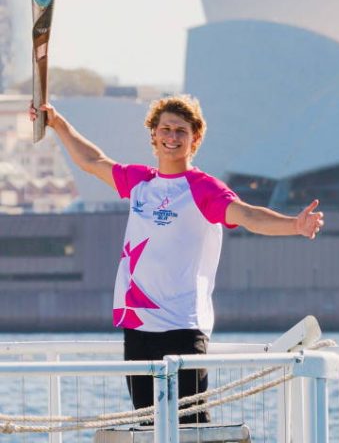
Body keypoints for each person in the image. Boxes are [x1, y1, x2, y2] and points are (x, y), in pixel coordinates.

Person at [31, 95, 324, 423]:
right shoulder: (139, 181)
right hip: (138, 324)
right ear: (153, 134)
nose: (172, 137)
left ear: (195, 138)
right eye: (165, 129)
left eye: (181, 131)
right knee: (148, 425)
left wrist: (294, 225)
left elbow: (247, 215)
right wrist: (56, 123)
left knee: (190, 428)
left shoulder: (202, 188)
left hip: (183, 326)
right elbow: (92, 160)